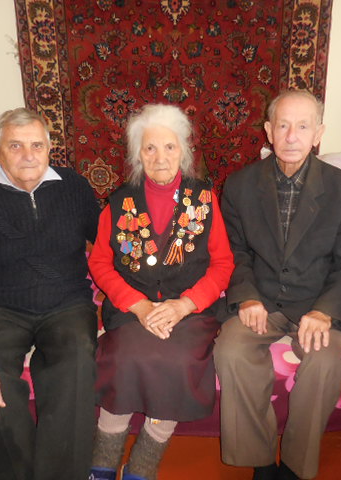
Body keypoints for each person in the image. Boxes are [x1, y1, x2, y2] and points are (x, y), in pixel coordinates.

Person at [214, 90, 341, 480]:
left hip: (317, 301)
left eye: (302, 126)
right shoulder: (240, 185)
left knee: (325, 361)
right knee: (231, 349)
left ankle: (296, 466)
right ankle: (261, 460)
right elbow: (234, 252)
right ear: (269, 131)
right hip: (262, 299)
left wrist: (325, 311)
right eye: (282, 125)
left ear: (318, 134)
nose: (292, 136)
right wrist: (246, 297)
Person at [0, 108, 100, 480]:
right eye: (15, 146)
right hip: (2, 307)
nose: (28, 155)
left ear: (49, 148)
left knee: (76, 361)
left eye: (37, 145)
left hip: (66, 303)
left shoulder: (74, 187)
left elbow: (109, 242)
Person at [88, 104, 234, 480]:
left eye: (169, 147)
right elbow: (100, 263)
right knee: (123, 357)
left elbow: (222, 264)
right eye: (150, 148)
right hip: (132, 308)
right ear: (138, 154)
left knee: (177, 361)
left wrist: (184, 305)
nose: (160, 157)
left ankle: (143, 464)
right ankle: (103, 462)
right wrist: (137, 306)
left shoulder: (204, 199)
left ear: (183, 151)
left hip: (189, 311)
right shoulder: (119, 202)